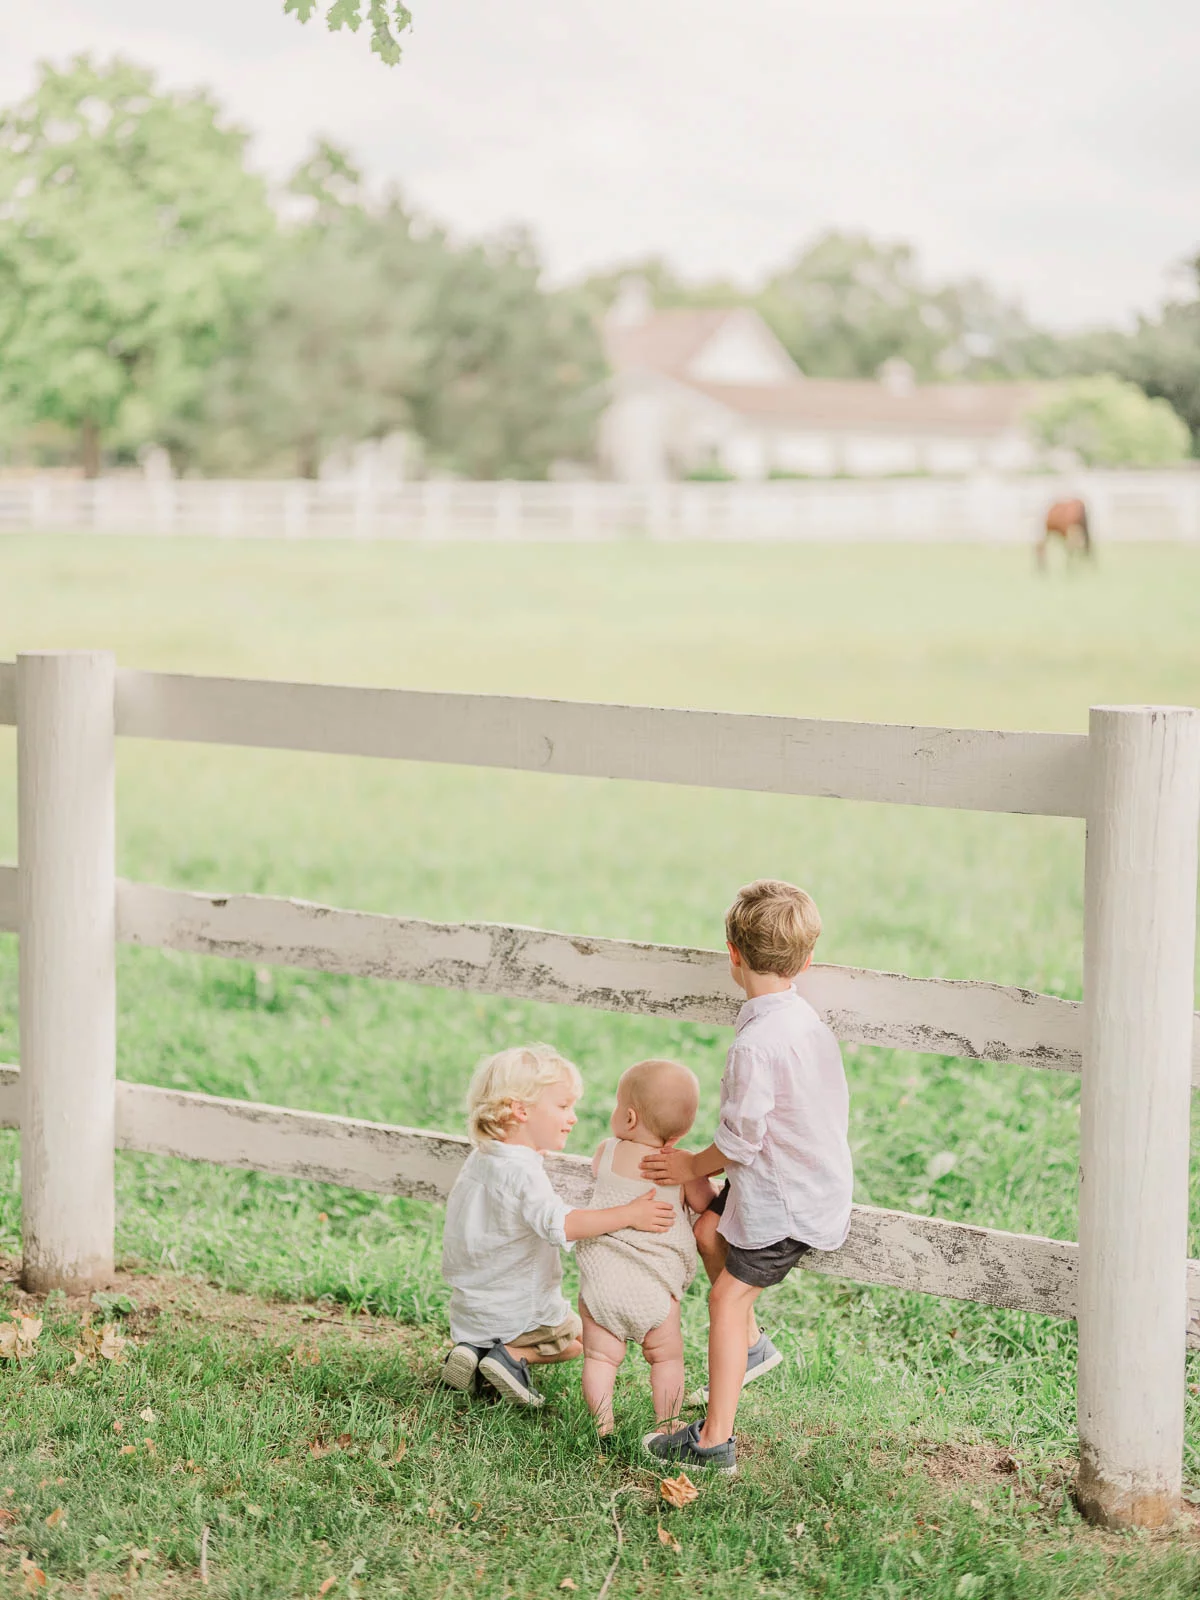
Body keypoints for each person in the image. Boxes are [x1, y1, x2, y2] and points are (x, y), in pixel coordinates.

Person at [639, 879, 853, 1474]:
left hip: (786, 1203)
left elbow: (738, 1143)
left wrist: (686, 1166)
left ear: (732, 952)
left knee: (725, 1299)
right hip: (797, 1180)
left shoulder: (757, 1043)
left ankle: (714, 1442)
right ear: (806, 962)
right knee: (709, 1232)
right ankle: (752, 1350)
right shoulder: (801, 1019)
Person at [440, 1042, 675, 1408]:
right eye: (564, 1106)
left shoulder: (483, 1158)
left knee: (566, 1334)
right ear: (521, 1111)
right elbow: (562, 1224)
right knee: (582, 1342)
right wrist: (629, 1214)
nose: (574, 1116)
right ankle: (511, 1357)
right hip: (519, 1311)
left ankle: (473, 1350)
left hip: (471, 1309)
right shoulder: (523, 1173)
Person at [576, 1059, 719, 1436]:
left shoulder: (606, 1151)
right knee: (666, 1358)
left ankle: (603, 1425)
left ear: (628, 1117)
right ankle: (668, 1425)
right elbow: (705, 1204)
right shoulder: (682, 1169)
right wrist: (699, 1174)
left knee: (599, 1357)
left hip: (602, 1283)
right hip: (653, 1288)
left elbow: (599, 1176)